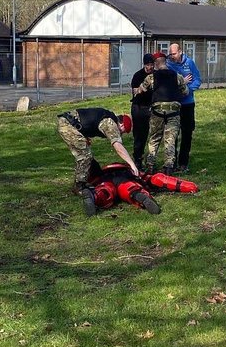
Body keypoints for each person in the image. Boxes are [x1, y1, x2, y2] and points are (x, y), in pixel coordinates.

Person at [56, 106, 140, 192]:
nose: (121, 134)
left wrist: (85, 136)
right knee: (84, 156)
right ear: (121, 124)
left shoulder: (108, 117)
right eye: (123, 131)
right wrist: (132, 164)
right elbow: (118, 146)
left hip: (69, 121)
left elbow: (88, 121)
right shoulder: (110, 123)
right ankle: (79, 186)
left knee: (85, 152)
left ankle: (93, 176)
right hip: (68, 125)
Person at [133, 53, 188, 173]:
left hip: (157, 111)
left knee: (154, 138)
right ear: (165, 62)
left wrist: (137, 90)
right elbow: (185, 92)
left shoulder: (151, 77)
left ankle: (150, 165)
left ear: (157, 63)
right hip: (173, 111)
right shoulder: (177, 76)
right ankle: (168, 166)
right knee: (170, 139)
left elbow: (141, 90)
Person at [81, 163, 198, 216]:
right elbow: (157, 179)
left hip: (106, 178)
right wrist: (190, 187)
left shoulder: (101, 175)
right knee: (132, 189)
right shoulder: (131, 171)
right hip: (126, 178)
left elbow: (91, 179)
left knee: (105, 192)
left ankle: (94, 196)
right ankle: (141, 197)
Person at [167, 42, 202, 171]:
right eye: (170, 54)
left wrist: (187, 89)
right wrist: (182, 83)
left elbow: (197, 79)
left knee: (187, 134)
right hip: (175, 104)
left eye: (174, 53)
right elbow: (169, 84)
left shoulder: (190, 63)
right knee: (173, 134)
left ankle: (183, 163)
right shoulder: (169, 66)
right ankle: (172, 162)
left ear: (180, 51)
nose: (172, 56)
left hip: (188, 104)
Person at [130, 52, 156, 168]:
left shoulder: (156, 75)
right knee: (139, 135)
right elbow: (135, 91)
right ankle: (137, 158)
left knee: (152, 135)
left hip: (152, 106)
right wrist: (144, 88)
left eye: (152, 64)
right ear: (144, 64)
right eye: (148, 65)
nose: (150, 67)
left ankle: (150, 160)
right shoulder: (138, 75)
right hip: (139, 107)